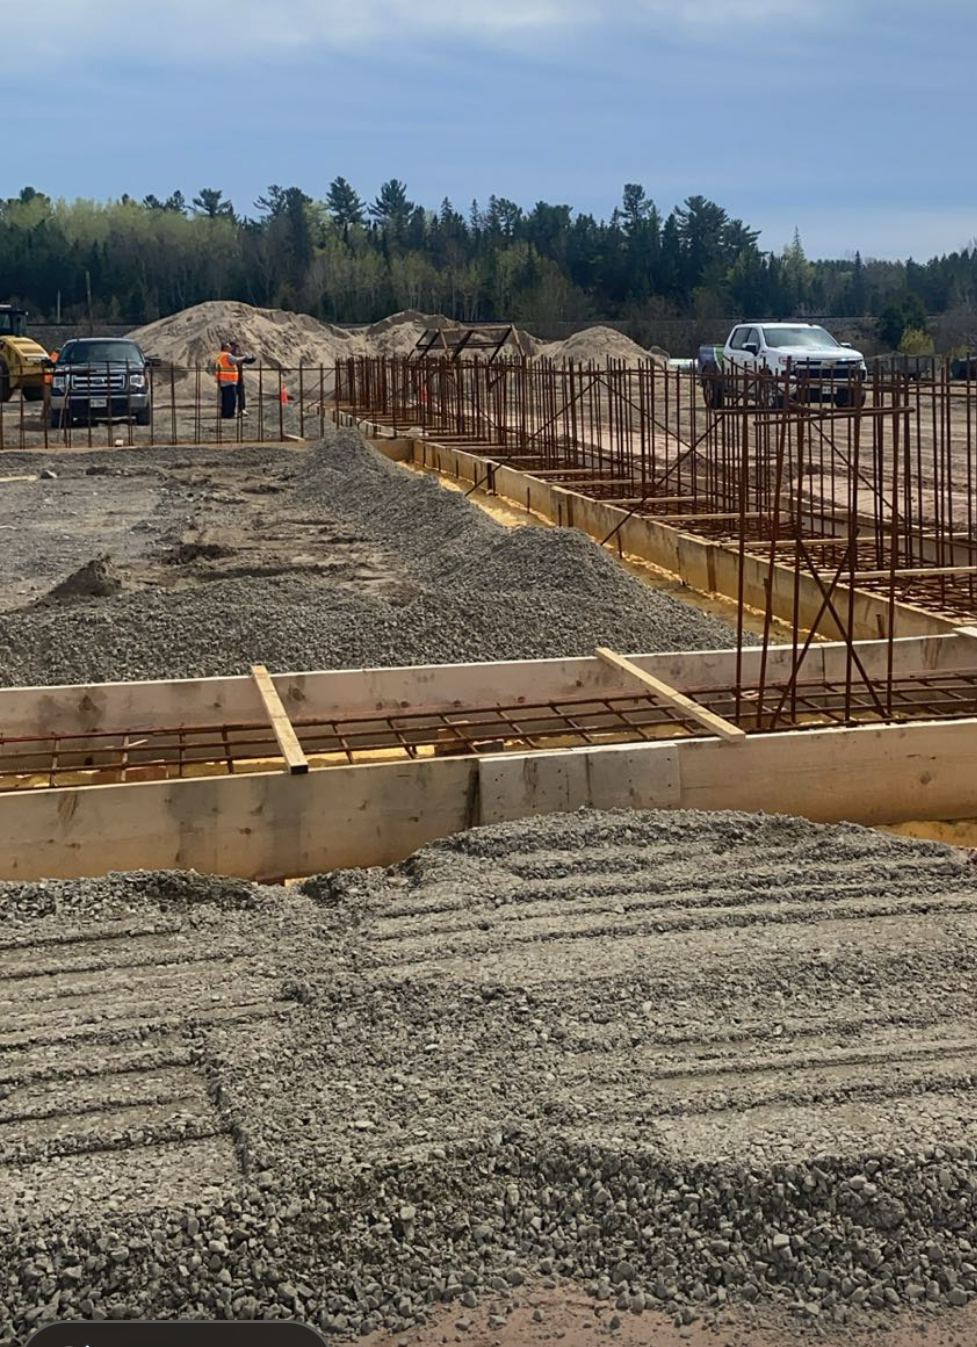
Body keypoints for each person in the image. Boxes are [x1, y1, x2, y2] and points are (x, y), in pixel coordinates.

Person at [230, 340, 257, 417]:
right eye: (234, 347)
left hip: (239, 378)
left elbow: (249, 360)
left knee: (241, 394)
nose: (235, 349)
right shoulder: (228, 356)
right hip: (231, 379)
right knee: (232, 396)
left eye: (236, 347)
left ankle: (241, 410)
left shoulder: (239, 356)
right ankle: (232, 411)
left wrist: (252, 356)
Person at [214, 339, 240, 420]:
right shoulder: (227, 355)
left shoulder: (220, 355)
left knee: (225, 398)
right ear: (225, 347)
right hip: (229, 380)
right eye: (229, 346)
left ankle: (225, 413)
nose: (231, 348)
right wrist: (244, 357)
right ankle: (230, 414)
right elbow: (235, 361)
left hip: (223, 380)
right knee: (231, 399)